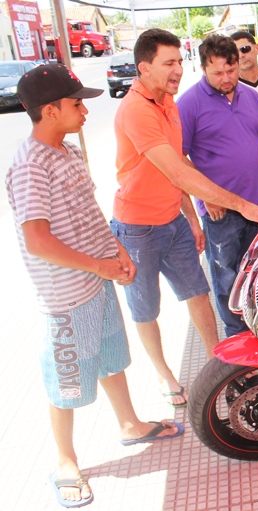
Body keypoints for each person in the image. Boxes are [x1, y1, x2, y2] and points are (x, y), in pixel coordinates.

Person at [6, 64, 183, 508]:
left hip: (97, 281)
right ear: (50, 111)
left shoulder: (66, 151)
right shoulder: (29, 166)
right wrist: (98, 266)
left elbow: (88, 211)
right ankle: (65, 461)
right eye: (76, 103)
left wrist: (117, 252)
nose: (85, 111)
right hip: (66, 297)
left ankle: (129, 424)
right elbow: (37, 240)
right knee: (65, 381)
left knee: (110, 359)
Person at [111, 29, 258, 408]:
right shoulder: (136, 109)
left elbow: (177, 171)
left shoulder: (167, 103)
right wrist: (240, 206)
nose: (178, 70)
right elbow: (178, 170)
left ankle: (221, 366)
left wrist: (190, 220)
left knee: (199, 294)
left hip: (174, 220)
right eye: (169, 63)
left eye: (179, 61)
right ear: (144, 67)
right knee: (147, 308)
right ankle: (164, 375)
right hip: (137, 226)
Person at [177, 34, 258, 338]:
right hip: (219, 213)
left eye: (231, 70)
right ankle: (238, 341)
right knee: (227, 280)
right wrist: (206, 197)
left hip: (257, 206)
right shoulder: (189, 104)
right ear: (203, 69)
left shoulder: (251, 97)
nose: (226, 78)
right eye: (217, 72)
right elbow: (177, 158)